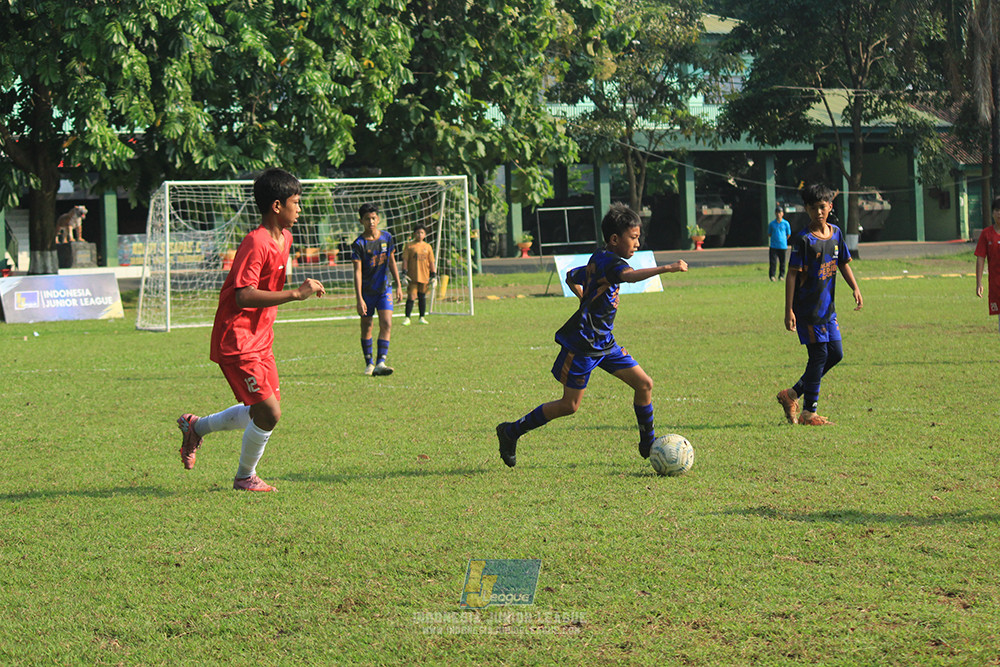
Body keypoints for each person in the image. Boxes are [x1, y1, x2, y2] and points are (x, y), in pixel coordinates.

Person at [495, 202, 688, 467]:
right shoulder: (611, 263)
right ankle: (510, 431)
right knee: (569, 405)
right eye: (633, 237)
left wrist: (585, 298)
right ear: (614, 239)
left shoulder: (599, 256)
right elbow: (629, 277)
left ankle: (648, 443)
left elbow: (571, 276)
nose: (638, 243)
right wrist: (666, 269)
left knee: (644, 384)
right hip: (583, 346)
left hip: (605, 343)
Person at [177, 168, 326, 491]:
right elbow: (243, 295)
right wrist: (295, 294)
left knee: (263, 411)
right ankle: (245, 477)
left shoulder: (284, 238)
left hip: (261, 338)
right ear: (276, 206)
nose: (299, 209)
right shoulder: (255, 242)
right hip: (237, 338)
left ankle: (196, 427)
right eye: (295, 202)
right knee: (269, 412)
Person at [776, 183, 863, 427]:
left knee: (835, 354)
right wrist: (789, 310)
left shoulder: (836, 233)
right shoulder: (804, 240)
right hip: (808, 310)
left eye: (822, 207)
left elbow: (843, 262)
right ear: (806, 209)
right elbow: (792, 275)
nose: (818, 213)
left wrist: (855, 287)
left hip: (828, 310)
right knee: (820, 354)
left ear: (830, 206)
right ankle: (808, 413)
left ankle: (791, 394)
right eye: (813, 209)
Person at [352, 203, 403, 375]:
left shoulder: (387, 238)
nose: (371, 222)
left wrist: (398, 285)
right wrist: (359, 298)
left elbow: (391, 261)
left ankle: (381, 362)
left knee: (387, 323)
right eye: (367, 219)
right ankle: (369, 363)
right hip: (367, 292)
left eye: (373, 218)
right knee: (367, 325)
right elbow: (357, 272)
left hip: (384, 289)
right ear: (361, 221)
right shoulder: (359, 244)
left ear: (378, 219)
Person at [401, 223, 436, 325]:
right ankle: (407, 317)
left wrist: (433, 274)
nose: (419, 235)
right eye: (418, 233)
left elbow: (431, 262)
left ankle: (422, 317)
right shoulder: (409, 246)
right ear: (414, 234)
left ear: (425, 235)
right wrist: (404, 273)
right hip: (412, 276)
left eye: (422, 233)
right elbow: (405, 260)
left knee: (422, 296)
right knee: (411, 296)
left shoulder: (427, 247)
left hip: (424, 276)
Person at [974, 196, 1000, 334]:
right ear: (992, 213)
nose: (999, 213)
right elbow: (980, 258)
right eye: (997, 210)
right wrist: (979, 283)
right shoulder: (987, 234)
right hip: (996, 285)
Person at [768, 205, 791, 281]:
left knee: (783, 262)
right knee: (773, 262)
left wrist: (783, 239)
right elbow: (769, 234)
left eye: (780, 212)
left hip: (782, 246)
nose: (778, 214)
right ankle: (772, 276)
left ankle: (781, 276)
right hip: (774, 246)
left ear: (782, 214)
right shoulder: (772, 224)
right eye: (777, 212)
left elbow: (788, 234)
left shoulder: (786, 223)